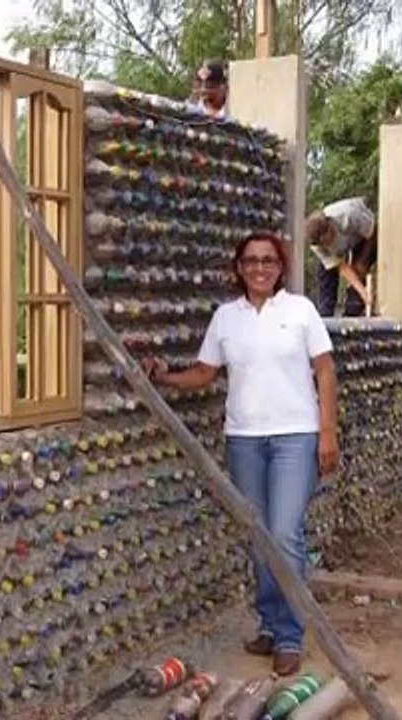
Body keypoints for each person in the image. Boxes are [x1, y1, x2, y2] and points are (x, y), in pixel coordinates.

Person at [142, 231, 340, 676]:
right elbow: (205, 373)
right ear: (239, 267)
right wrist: (166, 378)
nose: (259, 267)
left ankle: (289, 635)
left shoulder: (301, 310)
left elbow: (325, 371)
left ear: (280, 266)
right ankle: (269, 625)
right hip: (245, 440)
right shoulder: (225, 318)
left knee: (285, 533)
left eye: (268, 260)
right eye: (250, 260)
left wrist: (328, 432)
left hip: (295, 436)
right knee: (258, 534)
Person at [304, 197, 378, 317]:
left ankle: (352, 313)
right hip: (343, 248)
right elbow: (342, 267)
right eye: (323, 243)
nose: (327, 243)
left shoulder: (349, 215)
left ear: (329, 224)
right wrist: (363, 291)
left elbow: (372, 230)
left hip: (363, 238)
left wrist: (362, 261)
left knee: (359, 269)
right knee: (326, 273)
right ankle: (326, 319)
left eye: (327, 238)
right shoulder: (316, 246)